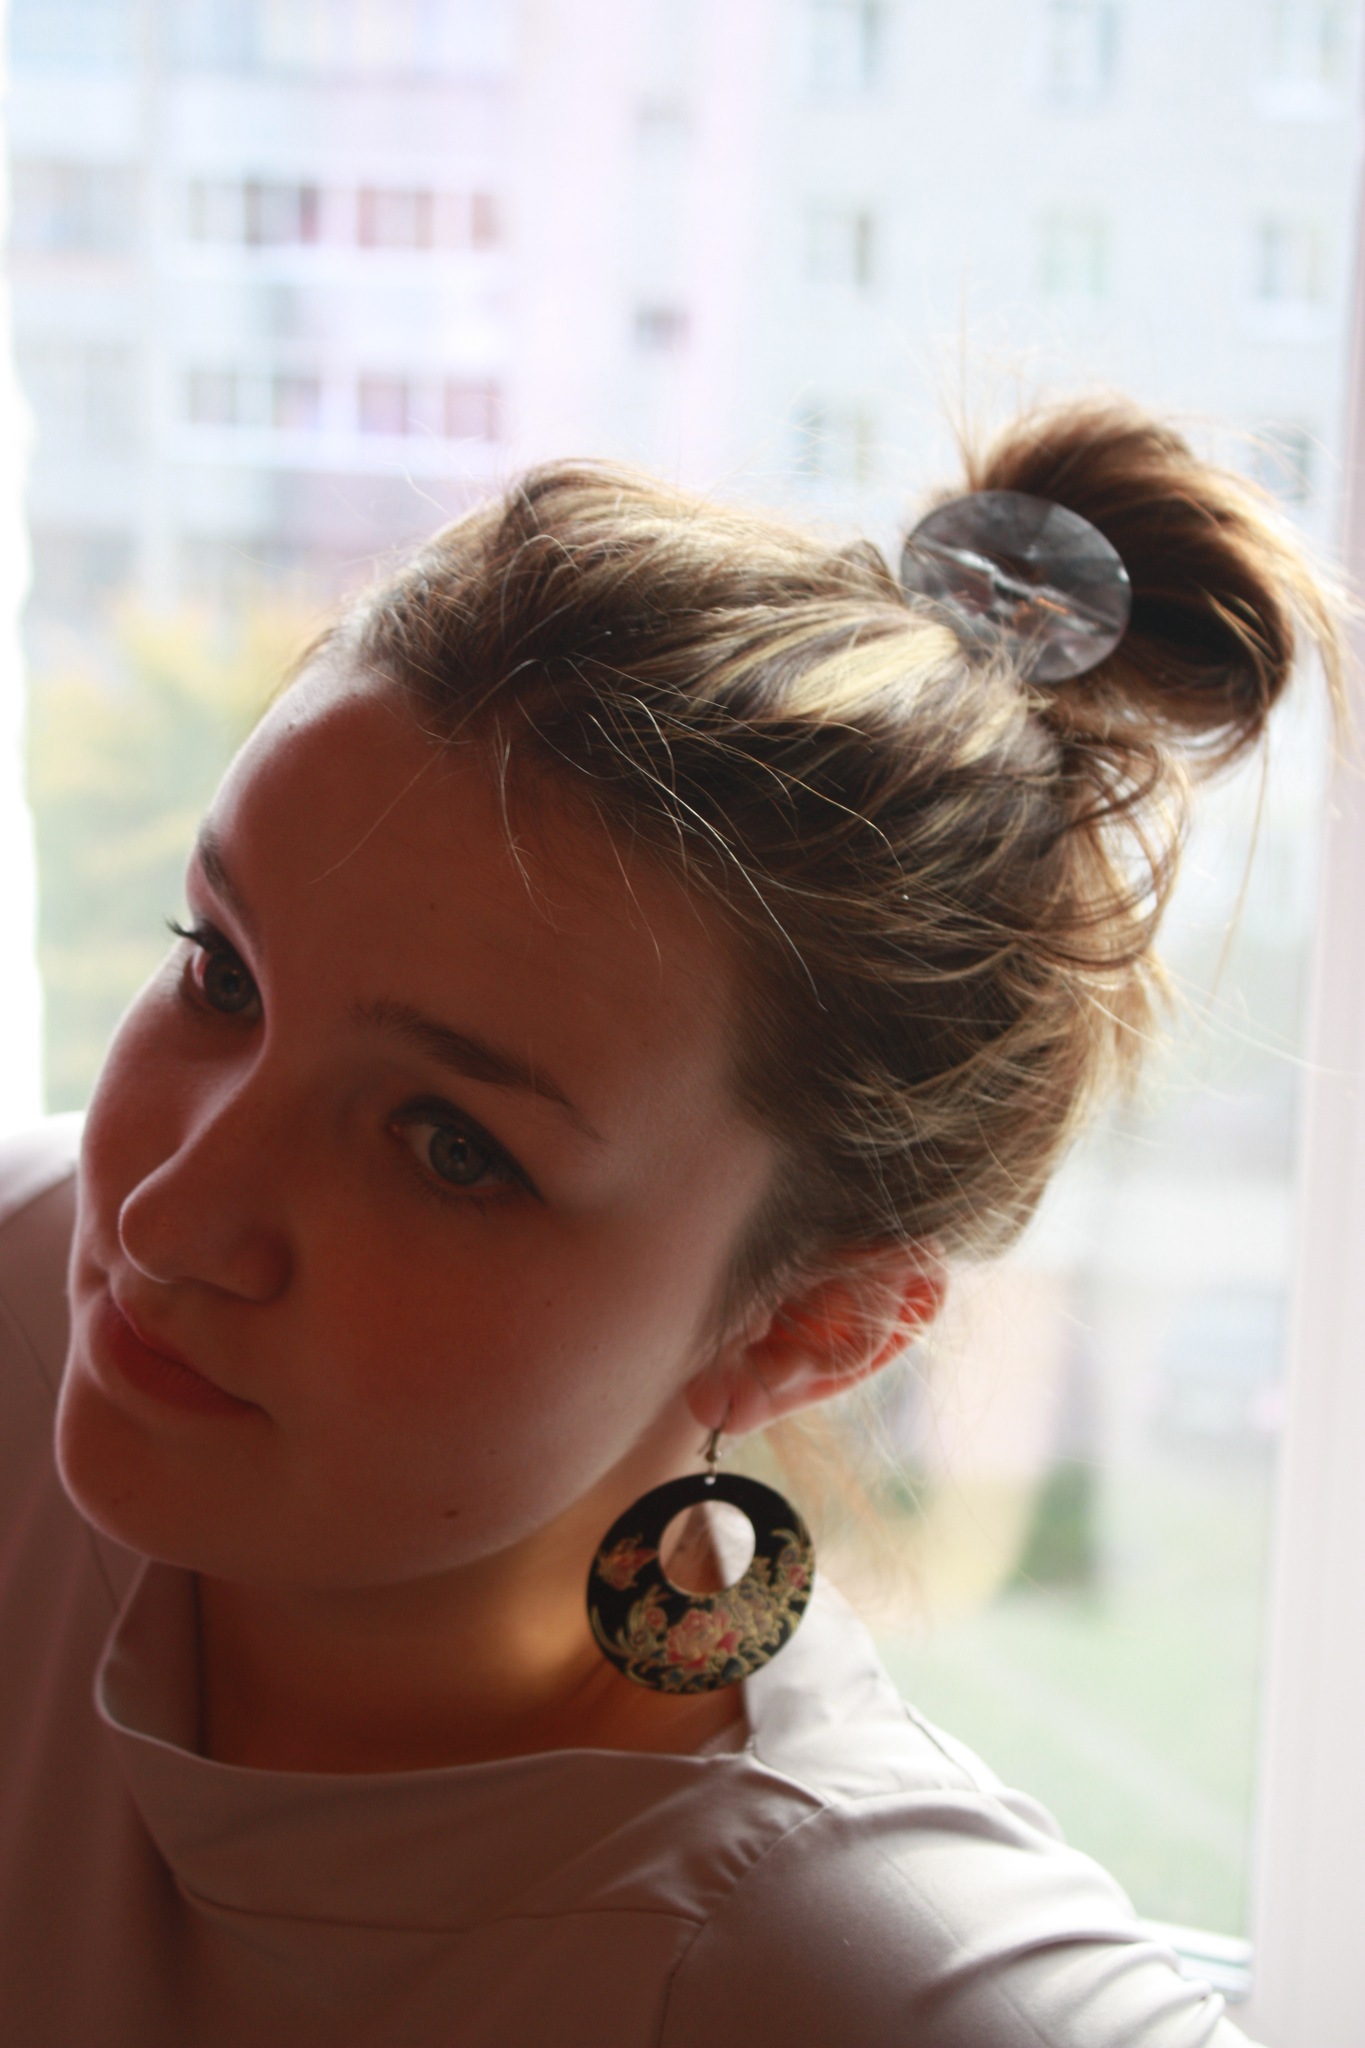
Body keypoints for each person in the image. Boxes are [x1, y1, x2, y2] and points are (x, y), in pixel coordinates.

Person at [0, 397, 1338, 2046]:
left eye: (449, 1148)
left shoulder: (854, 1963)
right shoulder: (29, 1273)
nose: (163, 1215)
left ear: (808, 1328)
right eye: (223, 972)